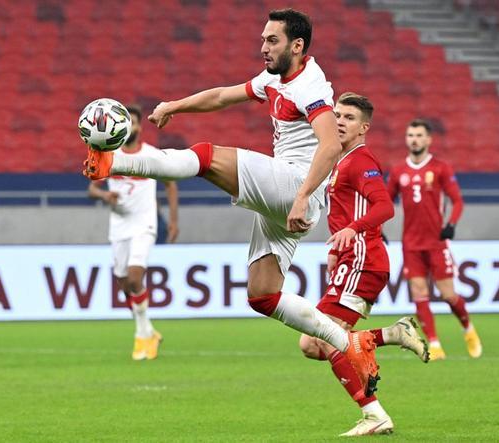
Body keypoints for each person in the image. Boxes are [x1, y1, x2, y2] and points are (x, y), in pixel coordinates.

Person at [83, 9, 379, 391]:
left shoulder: (310, 86)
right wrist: (175, 105)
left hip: (294, 187)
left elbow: (331, 144)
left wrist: (303, 196)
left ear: (297, 45)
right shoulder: (275, 78)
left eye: (272, 40)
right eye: (262, 40)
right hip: (286, 193)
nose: (263, 47)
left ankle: (114, 160)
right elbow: (223, 96)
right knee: (263, 295)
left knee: (206, 157)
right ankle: (349, 345)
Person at [298, 93, 429, 436]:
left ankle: (375, 414)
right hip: (350, 259)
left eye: (349, 118)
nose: (339, 121)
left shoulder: (361, 160)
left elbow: (385, 207)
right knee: (311, 344)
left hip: (363, 259)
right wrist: (333, 251)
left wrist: (351, 231)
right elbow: (343, 210)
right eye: (337, 115)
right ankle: (393, 334)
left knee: (325, 340)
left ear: (364, 128)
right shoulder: (339, 160)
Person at [87, 104, 179, 361]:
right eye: (128, 123)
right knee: (125, 283)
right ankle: (149, 331)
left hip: (144, 224)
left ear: (140, 126)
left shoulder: (150, 155)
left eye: (136, 123)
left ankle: (141, 336)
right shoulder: (110, 155)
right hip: (118, 227)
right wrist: (105, 195)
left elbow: (170, 184)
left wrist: (173, 221)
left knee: (136, 276)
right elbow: (92, 188)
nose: (133, 127)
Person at [387, 119, 482, 360]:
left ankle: (468, 329)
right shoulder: (398, 171)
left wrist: (451, 224)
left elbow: (457, 200)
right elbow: (385, 202)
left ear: (428, 139)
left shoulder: (441, 168)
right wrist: (376, 227)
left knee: (449, 295)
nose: (414, 139)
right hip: (411, 244)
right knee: (419, 293)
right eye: (410, 135)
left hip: (436, 243)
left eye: (419, 135)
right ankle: (434, 343)